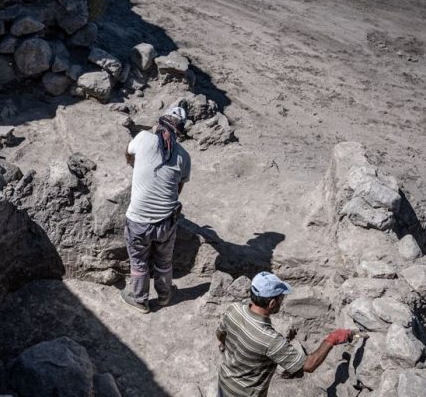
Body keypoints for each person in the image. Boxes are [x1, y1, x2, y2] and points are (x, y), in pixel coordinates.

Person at [216, 271, 354, 396]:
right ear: (271, 303)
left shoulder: (234, 309)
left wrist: (226, 344)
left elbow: (220, 334)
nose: (282, 302)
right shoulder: (270, 339)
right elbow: (309, 365)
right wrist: (332, 339)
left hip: (224, 383)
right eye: (281, 299)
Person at [120, 105, 191, 313]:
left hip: (138, 221)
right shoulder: (183, 156)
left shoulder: (143, 138)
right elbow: (178, 189)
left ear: (159, 124)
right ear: (179, 132)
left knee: (139, 262)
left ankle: (139, 298)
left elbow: (128, 152)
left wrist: (135, 165)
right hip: (166, 223)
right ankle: (164, 295)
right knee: (163, 261)